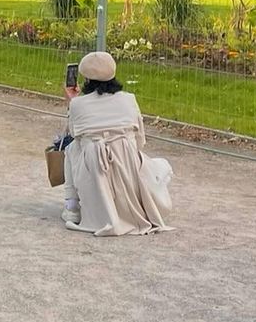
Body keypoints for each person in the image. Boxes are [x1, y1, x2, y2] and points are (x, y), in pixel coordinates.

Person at [62, 51, 173, 237]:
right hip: (127, 166)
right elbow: (140, 141)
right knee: (161, 166)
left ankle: (72, 205)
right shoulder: (129, 99)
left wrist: (72, 102)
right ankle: (135, 203)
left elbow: (74, 134)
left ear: (86, 78)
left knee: (71, 148)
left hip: (95, 168)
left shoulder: (78, 104)